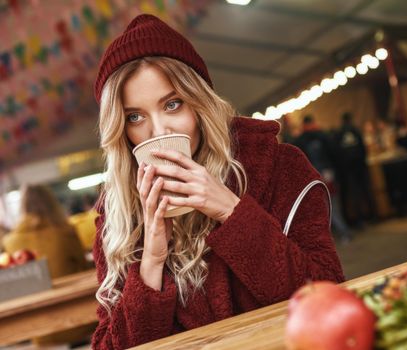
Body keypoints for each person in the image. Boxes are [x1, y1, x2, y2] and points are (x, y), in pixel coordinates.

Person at [91, 14, 344, 349]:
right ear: (120, 130)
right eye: (134, 117)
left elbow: (329, 294)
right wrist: (151, 261)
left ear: (200, 103)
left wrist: (231, 210)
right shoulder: (117, 215)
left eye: (172, 104)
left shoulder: (277, 167)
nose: (158, 132)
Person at [2, 184, 92, 346]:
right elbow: (84, 267)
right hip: (80, 322)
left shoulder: (10, 241)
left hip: (40, 331)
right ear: (51, 202)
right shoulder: (66, 232)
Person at [333, 112, 373, 227]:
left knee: (354, 193)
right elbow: (363, 147)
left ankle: (359, 219)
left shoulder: (339, 133)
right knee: (365, 190)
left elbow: (337, 152)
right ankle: (370, 215)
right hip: (360, 166)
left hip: (348, 169)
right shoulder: (355, 130)